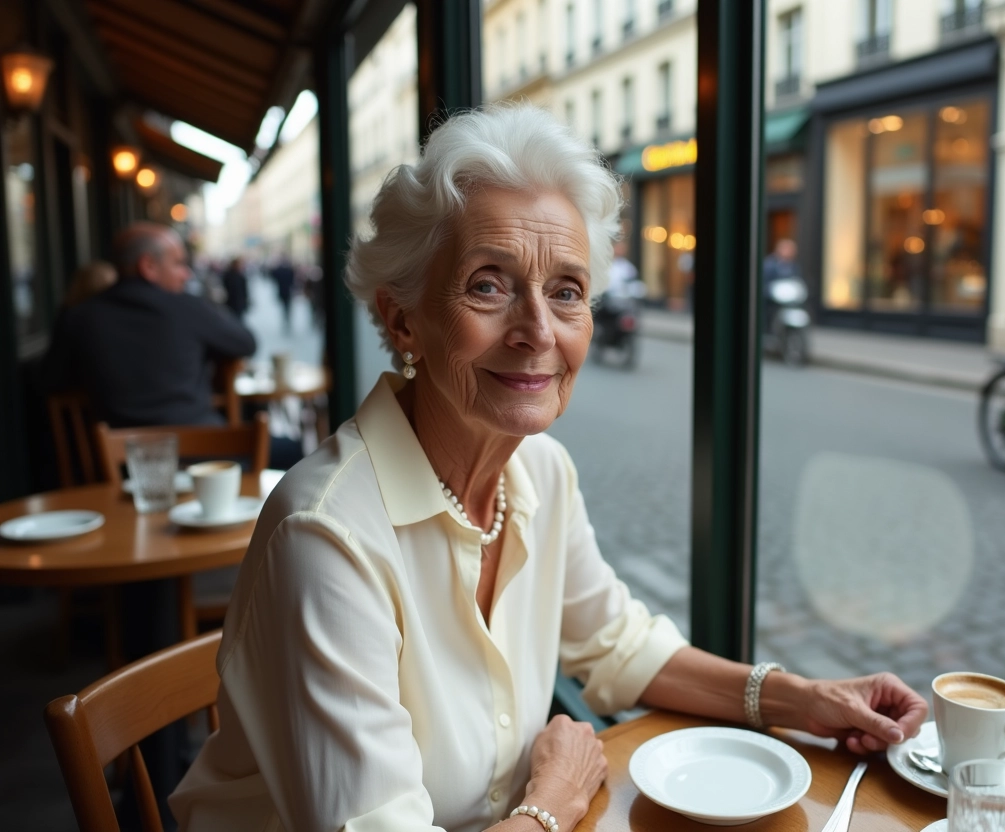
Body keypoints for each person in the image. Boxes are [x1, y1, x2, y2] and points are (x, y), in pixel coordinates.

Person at [169, 105, 927, 832]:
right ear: (403, 319)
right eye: (489, 285)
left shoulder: (542, 471)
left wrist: (805, 699)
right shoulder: (326, 535)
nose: (538, 332)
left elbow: (615, 643)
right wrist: (553, 799)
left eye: (567, 291)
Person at [42, 222, 256, 427]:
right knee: (289, 457)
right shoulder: (187, 308)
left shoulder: (80, 316)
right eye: (178, 263)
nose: (186, 274)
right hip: (205, 455)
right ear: (148, 266)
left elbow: (53, 381)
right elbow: (247, 343)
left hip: (115, 458)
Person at [270, 255, 296, 330]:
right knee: (287, 306)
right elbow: (292, 280)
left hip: (282, 291)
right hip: (288, 291)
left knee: (284, 306)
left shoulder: (280, 270)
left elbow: (273, 276)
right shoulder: (289, 270)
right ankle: (287, 318)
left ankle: (286, 318)